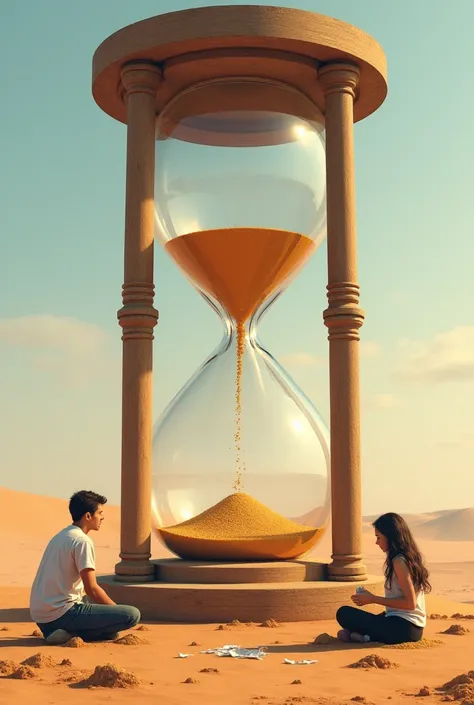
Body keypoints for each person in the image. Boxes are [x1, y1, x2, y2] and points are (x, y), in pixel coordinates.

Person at [30, 490, 141, 645]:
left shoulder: (61, 535)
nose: (102, 517)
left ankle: (61, 633)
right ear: (88, 516)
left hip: (42, 618)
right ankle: (73, 633)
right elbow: (92, 589)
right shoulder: (82, 541)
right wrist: (117, 611)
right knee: (131, 615)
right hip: (63, 613)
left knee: (109, 627)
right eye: (100, 513)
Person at [336, 512, 431, 645]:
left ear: (391, 537)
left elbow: (410, 604)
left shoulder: (399, 562)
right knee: (377, 617)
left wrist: (373, 599)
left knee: (344, 613)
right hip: (409, 627)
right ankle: (363, 636)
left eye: (379, 537)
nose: (377, 542)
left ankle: (366, 637)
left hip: (404, 628)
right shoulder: (405, 559)